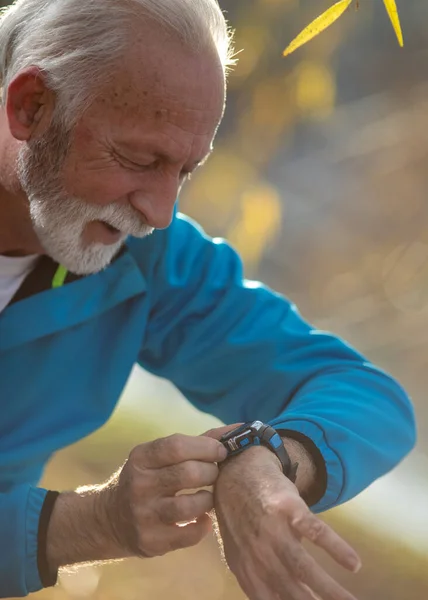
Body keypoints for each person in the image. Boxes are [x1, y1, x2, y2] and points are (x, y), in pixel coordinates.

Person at [0, 0, 416, 598]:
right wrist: (91, 523)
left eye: (184, 171)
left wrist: (269, 456)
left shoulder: (148, 258)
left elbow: (366, 395)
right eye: (141, 159)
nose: (159, 211)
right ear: (30, 106)